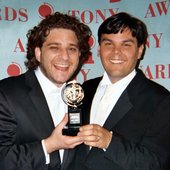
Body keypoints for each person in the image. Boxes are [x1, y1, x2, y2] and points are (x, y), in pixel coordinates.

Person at [74, 12, 170, 170]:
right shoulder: (85, 89)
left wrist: (109, 142)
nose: (116, 52)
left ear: (140, 50)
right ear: (99, 49)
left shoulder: (160, 100)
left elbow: (156, 163)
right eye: (108, 44)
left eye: (126, 44)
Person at [0, 12, 91, 170]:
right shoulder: (6, 93)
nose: (65, 57)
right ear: (38, 53)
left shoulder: (83, 95)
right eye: (54, 48)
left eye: (72, 49)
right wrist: (48, 145)